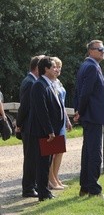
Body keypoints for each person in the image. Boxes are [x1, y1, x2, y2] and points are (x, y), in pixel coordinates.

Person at [73, 40, 104, 198]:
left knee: (88, 153)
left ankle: (85, 188)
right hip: (93, 116)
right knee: (94, 154)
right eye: (100, 49)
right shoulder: (91, 67)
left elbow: (80, 91)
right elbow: (84, 92)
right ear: (90, 51)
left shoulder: (87, 65)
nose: (103, 51)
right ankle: (94, 189)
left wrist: (79, 111)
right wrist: (79, 111)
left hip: (90, 115)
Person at [29, 56, 65, 202]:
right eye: (53, 67)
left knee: (47, 162)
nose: (56, 69)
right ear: (46, 69)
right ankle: (43, 193)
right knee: (43, 163)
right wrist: (49, 130)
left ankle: (45, 191)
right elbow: (41, 110)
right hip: (43, 132)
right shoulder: (39, 85)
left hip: (50, 131)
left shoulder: (48, 83)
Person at [16, 55, 44, 198]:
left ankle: (34, 186)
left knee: (34, 158)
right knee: (31, 158)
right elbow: (25, 106)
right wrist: (19, 124)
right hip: (29, 126)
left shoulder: (33, 81)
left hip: (32, 126)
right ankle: (28, 189)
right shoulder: (30, 82)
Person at [48, 57, 72, 190]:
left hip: (62, 120)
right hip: (54, 121)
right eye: (55, 66)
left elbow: (62, 105)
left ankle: (56, 177)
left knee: (60, 150)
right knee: (52, 151)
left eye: (60, 67)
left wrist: (67, 120)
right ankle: (50, 179)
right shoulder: (48, 83)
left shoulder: (58, 82)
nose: (57, 69)